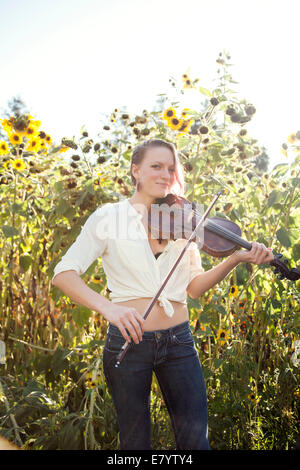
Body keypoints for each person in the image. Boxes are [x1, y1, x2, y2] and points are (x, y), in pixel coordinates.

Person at [51, 138, 274, 450]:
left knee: (196, 442)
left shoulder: (184, 217)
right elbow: (64, 273)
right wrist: (109, 309)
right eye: (156, 166)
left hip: (179, 342)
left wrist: (235, 258)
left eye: (171, 168)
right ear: (136, 170)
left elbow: (194, 288)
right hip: (128, 340)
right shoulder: (110, 217)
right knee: (135, 443)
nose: (165, 174)